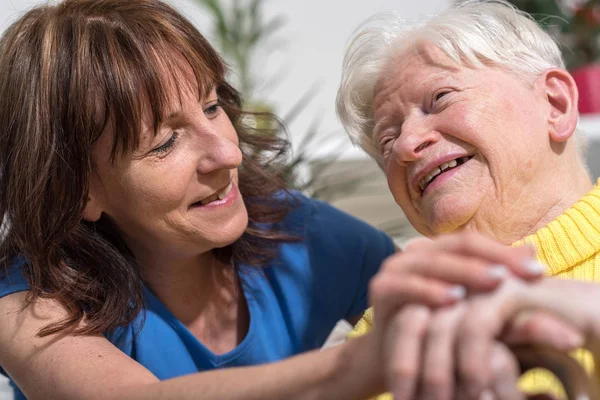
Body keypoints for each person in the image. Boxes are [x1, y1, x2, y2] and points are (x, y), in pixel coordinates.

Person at [0, 1, 407, 398]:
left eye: (211, 107)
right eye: (166, 142)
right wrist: (359, 364)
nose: (228, 154)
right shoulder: (24, 303)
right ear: (75, 191)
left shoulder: (304, 235)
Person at [336, 0, 600, 398]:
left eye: (440, 98)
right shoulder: (387, 334)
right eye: (387, 140)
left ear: (555, 103)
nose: (407, 144)